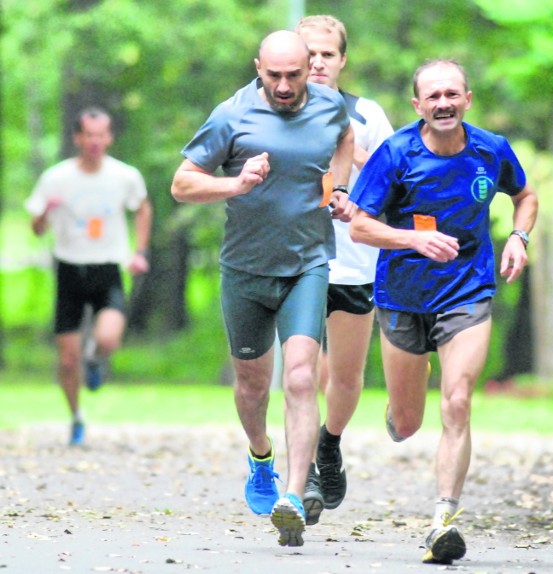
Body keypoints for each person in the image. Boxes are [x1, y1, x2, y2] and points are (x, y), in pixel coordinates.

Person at [349, 59, 538, 564]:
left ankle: (443, 521)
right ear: (418, 106)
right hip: (402, 298)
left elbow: (525, 195)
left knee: (457, 402)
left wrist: (519, 236)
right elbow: (360, 227)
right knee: (407, 423)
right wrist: (414, 238)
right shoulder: (395, 153)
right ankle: (407, 392)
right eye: (433, 96)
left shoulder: (490, 150)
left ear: (467, 99)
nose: (443, 103)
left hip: (467, 293)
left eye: (452, 94)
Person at [170, 30, 354, 548]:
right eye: (273, 75)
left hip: (308, 265)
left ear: (308, 69)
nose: (283, 85)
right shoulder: (232, 115)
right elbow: (182, 183)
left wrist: (337, 188)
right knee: (252, 387)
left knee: (300, 378)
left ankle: (292, 497)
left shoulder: (330, 106)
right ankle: (260, 456)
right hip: (246, 270)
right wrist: (236, 183)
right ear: (258, 67)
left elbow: (344, 140)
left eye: (293, 75)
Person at [295, 15, 394, 526]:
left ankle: (329, 443)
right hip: (296, 258)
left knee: (347, 375)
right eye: (308, 52)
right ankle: (306, 470)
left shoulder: (367, 113)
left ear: (342, 61)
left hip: (354, 261)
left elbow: (397, 180)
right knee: (303, 370)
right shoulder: (277, 108)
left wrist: (351, 147)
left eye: (326, 54)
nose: (316, 62)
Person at [25, 107, 152, 447]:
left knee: (108, 338)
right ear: (77, 138)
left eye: (101, 135)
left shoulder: (124, 176)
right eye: (89, 135)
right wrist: (45, 214)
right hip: (69, 268)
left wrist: (139, 251)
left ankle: (96, 360)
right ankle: (76, 416)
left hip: (107, 267)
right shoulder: (56, 178)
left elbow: (142, 206)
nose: (95, 142)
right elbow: (36, 227)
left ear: (109, 137)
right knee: (67, 358)